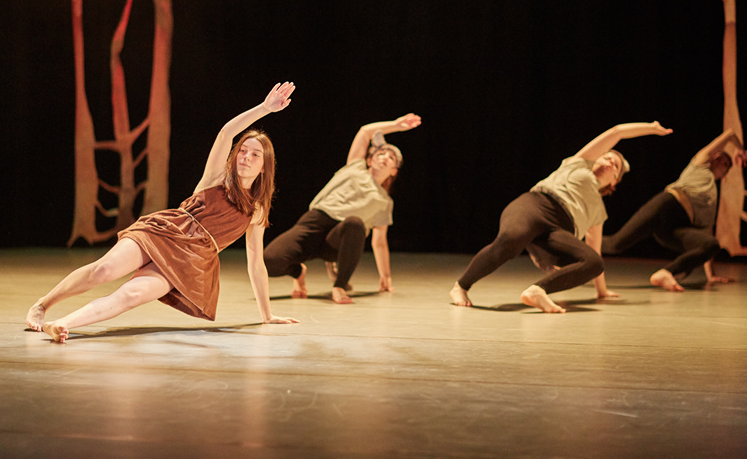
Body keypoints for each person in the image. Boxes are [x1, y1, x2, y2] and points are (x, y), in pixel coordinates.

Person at [26, 82, 300, 342]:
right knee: (103, 270)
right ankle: (43, 305)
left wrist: (267, 315)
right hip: (166, 231)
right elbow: (226, 134)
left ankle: (64, 324)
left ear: (264, 167)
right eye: (243, 151)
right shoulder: (217, 178)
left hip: (191, 260)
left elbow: (256, 263)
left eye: (255, 155)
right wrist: (264, 109)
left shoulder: (256, 211)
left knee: (131, 295)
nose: (246, 157)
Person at [449, 121, 673, 313]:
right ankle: (461, 286)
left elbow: (594, 250)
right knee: (513, 238)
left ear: (615, 181)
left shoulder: (599, 211)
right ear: (595, 159)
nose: (609, 162)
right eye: (606, 157)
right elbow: (617, 132)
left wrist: (602, 291)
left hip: (558, 231)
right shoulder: (578, 163)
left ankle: (537, 291)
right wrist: (651, 128)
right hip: (536, 205)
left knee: (594, 263)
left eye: (615, 165)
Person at [263, 113, 422, 304]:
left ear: (394, 170)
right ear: (370, 160)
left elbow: (379, 242)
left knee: (355, 223)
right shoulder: (355, 166)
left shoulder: (385, 202)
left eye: (391, 157)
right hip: (314, 223)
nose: (385, 158)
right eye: (381, 154)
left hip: (338, 239)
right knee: (268, 262)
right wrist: (396, 125)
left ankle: (339, 285)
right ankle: (298, 272)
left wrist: (386, 277)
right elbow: (365, 132)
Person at [601, 129, 746, 291]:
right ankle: (579, 242)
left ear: (725, 174)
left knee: (711, 244)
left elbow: (707, 233)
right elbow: (730, 134)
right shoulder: (700, 165)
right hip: (666, 207)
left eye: (725, 164)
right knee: (615, 245)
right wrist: (741, 150)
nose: (719, 161)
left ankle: (666, 273)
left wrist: (710, 275)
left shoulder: (712, 200)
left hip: (675, 228)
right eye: (718, 157)